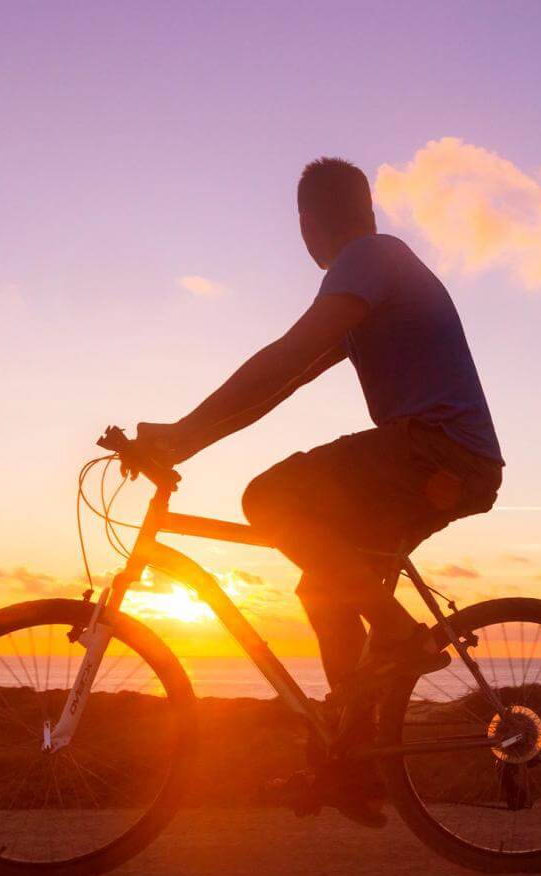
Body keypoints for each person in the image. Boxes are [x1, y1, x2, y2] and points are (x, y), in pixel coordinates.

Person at [132, 156, 504, 817]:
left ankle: (397, 632)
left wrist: (182, 431)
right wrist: (185, 439)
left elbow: (286, 353)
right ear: (365, 206)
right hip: (445, 463)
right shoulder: (381, 268)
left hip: (437, 456)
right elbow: (286, 380)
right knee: (326, 586)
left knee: (268, 499)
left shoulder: (367, 261)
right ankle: (351, 766)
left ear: (308, 224)